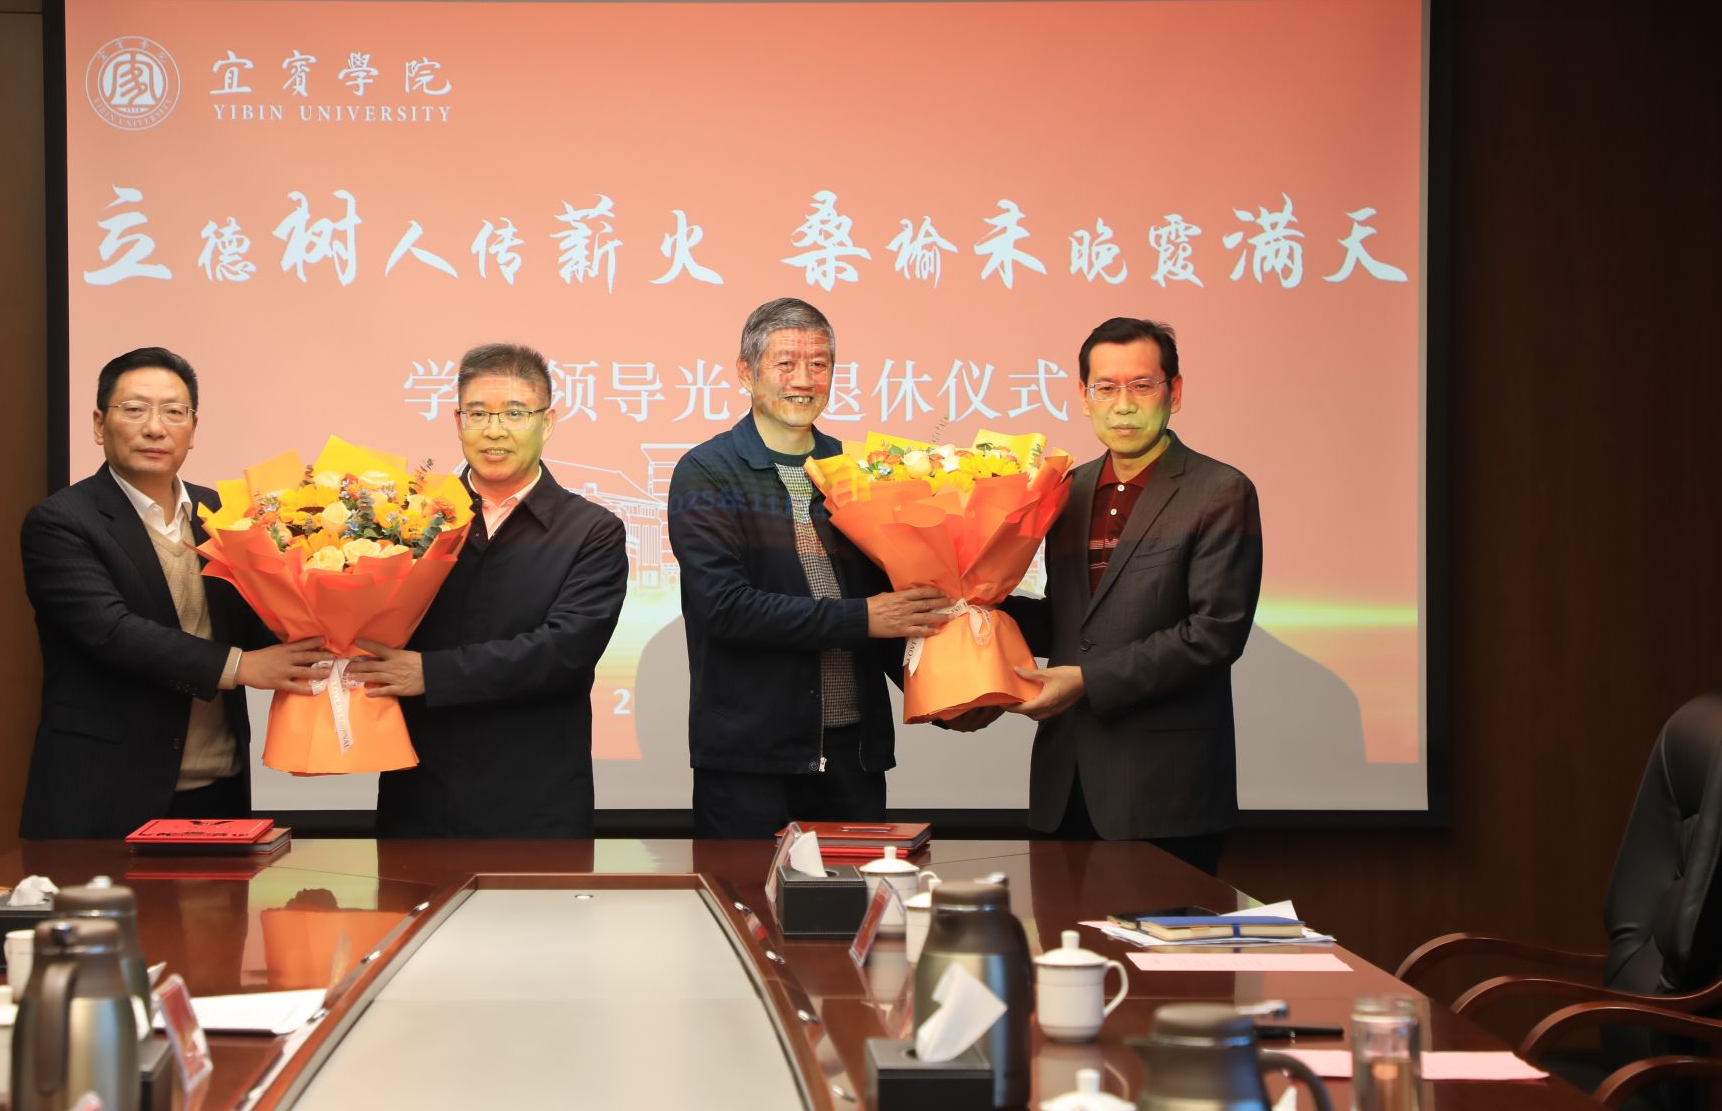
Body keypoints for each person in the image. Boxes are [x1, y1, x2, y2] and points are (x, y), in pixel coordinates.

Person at [18, 347, 330, 839]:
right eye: (134, 409)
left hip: (218, 784)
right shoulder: (61, 521)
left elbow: (257, 617)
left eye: (173, 412)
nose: (154, 428)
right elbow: (111, 631)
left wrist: (329, 616)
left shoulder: (221, 514)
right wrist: (240, 667)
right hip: (105, 790)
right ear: (99, 425)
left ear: (193, 428)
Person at [668, 299, 950, 839]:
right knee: (745, 892)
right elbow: (724, 609)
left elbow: (894, 607)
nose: (804, 380)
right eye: (785, 364)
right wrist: (862, 618)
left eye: (819, 365)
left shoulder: (856, 471)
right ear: (746, 373)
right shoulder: (707, 472)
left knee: (853, 894)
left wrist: (951, 694)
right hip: (751, 759)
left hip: (852, 755)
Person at [994, 318, 1262, 875]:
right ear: (1083, 397)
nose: (1123, 405)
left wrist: (1086, 680)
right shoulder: (1064, 491)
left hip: (1166, 790)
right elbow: (1067, 623)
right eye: (1106, 388)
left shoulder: (1220, 490)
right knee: (1062, 934)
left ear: (1174, 393)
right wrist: (974, 605)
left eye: (1142, 386)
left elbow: (1214, 633)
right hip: (1063, 782)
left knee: (1162, 936)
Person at [348, 343, 627, 838]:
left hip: (536, 798)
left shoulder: (590, 530)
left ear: (548, 422)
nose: (494, 431)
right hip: (421, 790)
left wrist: (431, 673)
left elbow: (565, 651)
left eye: (515, 414)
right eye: (478, 414)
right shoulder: (409, 520)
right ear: (458, 422)